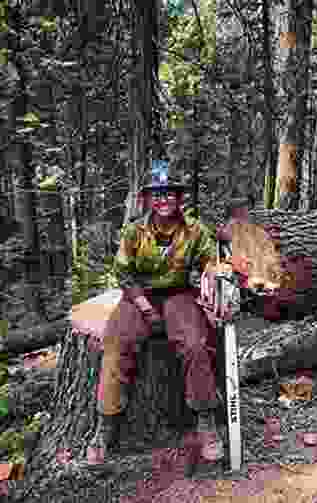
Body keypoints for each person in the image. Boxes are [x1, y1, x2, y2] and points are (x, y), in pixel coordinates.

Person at [94, 160, 223, 463]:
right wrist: (146, 310)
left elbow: (209, 263)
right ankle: (105, 425)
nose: (163, 199)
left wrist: (214, 277)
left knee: (194, 344)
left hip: (178, 293)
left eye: (169, 194)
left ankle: (205, 420)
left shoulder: (195, 230)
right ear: (148, 200)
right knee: (116, 344)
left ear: (179, 199)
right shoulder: (134, 231)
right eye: (157, 194)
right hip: (139, 294)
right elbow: (124, 274)